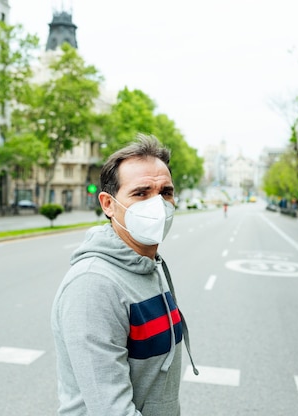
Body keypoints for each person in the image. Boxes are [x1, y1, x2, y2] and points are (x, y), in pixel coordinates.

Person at [51, 134, 198, 415]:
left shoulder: (149, 264)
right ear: (108, 204)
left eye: (166, 192)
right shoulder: (92, 285)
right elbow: (111, 410)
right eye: (141, 193)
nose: (159, 205)